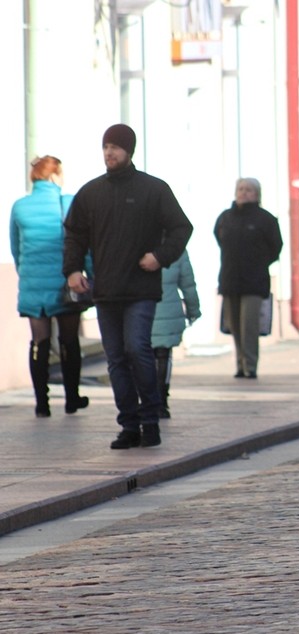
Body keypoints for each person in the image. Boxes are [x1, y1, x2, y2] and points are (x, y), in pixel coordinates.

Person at [63, 123, 194, 449]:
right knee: (116, 358)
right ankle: (129, 425)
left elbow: (181, 228)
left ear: (129, 151)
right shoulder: (91, 193)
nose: (109, 152)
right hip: (106, 290)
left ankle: (151, 420)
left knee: (137, 348)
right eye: (106, 147)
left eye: (116, 147)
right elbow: (74, 235)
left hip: (141, 289)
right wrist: (72, 270)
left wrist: (159, 257)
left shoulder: (153, 189)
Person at [10, 155, 91, 417]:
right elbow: (81, 244)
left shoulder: (20, 207)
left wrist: (27, 273)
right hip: (63, 283)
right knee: (69, 340)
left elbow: (16, 247)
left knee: (39, 342)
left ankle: (42, 404)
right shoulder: (67, 203)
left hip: (33, 284)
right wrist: (87, 274)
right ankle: (71, 398)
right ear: (55, 175)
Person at [214, 177, 282, 380]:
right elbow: (219, 239)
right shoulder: (225, 217)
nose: (243, 193)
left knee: (249, 325)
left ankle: (250, 365)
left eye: (249, 190)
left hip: (254, 281)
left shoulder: (266, 219)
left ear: (257, 194)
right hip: (230, 279)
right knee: (234, 326)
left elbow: (275, 248)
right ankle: (239, 364)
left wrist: (258, 264)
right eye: (241, 189)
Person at [150, 250, 200, 419]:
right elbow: (188, 284)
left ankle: (148, 399)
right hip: (169, 309)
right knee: (164, 356)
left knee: (144, 356)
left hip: (143, 310)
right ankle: (162, 399)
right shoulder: (176, 249)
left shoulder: (138, 242)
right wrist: (193, 310)